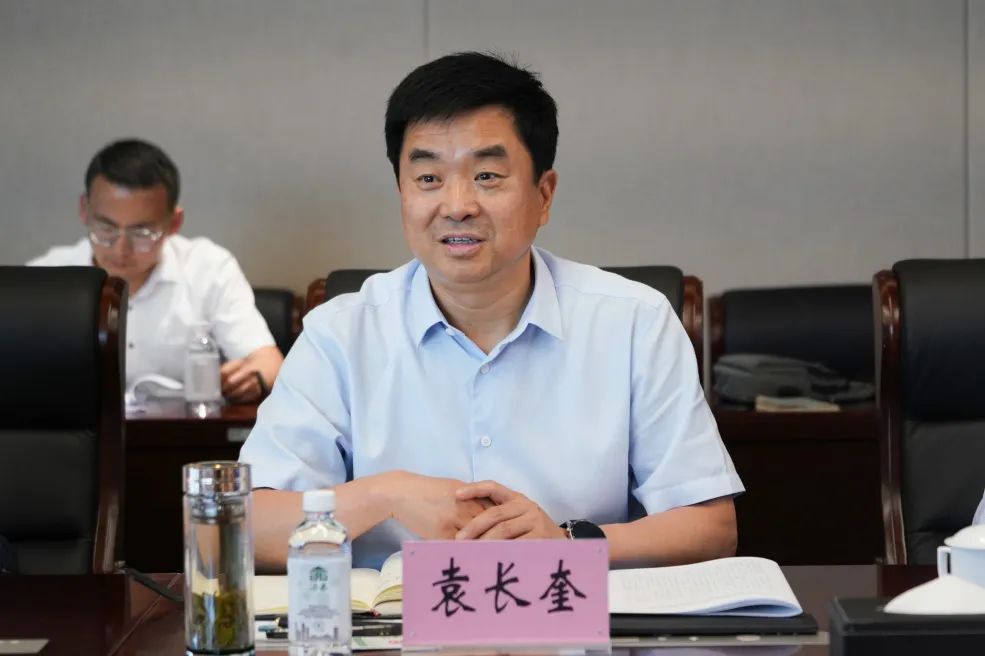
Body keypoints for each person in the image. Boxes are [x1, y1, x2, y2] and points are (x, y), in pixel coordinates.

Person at [240, 52, 744, 570]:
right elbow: (248, 527)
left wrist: (567, 543)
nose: (457, 205)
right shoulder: (341, 333)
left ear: (544, 195)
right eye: (428, 179)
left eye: (486, 175)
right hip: (391, 620)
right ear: (401, 193)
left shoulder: (634, 321)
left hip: (567, 615)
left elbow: (710, 526)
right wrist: (386, 494)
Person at [28, 138, 282, 402]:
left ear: (174, 223)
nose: (121, 249)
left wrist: (253, 378)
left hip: (180, 426)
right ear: (84, 210)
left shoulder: (208, 268)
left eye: (142, 232)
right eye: (106, 228)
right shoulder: (45, 278)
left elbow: (268, 362)